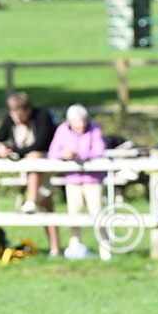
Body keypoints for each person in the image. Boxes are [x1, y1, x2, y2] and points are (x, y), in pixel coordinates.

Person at [0, 91, 59, 255]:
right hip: (28, 168)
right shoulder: (11, 119)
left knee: (46, 204)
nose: (16, 118)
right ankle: (54, 249)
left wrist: (15, 150)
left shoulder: (43, 116)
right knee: (47, 205)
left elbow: (40, 144)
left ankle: (31, 201)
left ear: (27, 110)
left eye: (19, 114)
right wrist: (0, 149)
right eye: (13, 114)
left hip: (48, 163)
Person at [48, 104, 109, 260]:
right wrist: (64, 154)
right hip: (72, 179)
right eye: (76, 122)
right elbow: (52, 152)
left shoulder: (95, 129)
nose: (80, 126)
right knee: (74, 214)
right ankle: (75, 249)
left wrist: (80, 154)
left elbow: (99, 151)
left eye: (82, 122)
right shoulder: (62, 130)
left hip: (93, 178)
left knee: (97, 213)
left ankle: (105, 250)